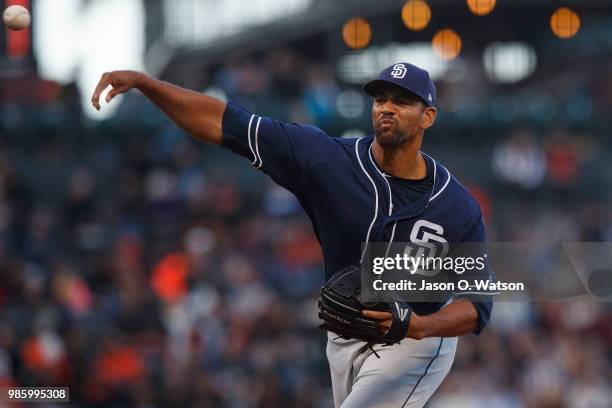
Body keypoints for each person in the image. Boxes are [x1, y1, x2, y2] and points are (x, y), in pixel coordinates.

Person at [91, 62, 494, 407]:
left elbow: (478, 304)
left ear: (428, 117)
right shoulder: (325, 159)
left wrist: (418, 327)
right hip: (347, 337)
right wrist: (148, 84)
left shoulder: (457, 206)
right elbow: (225, 122)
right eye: (380, 98)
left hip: (417, 339)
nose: (386, 108)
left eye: (402, 101)